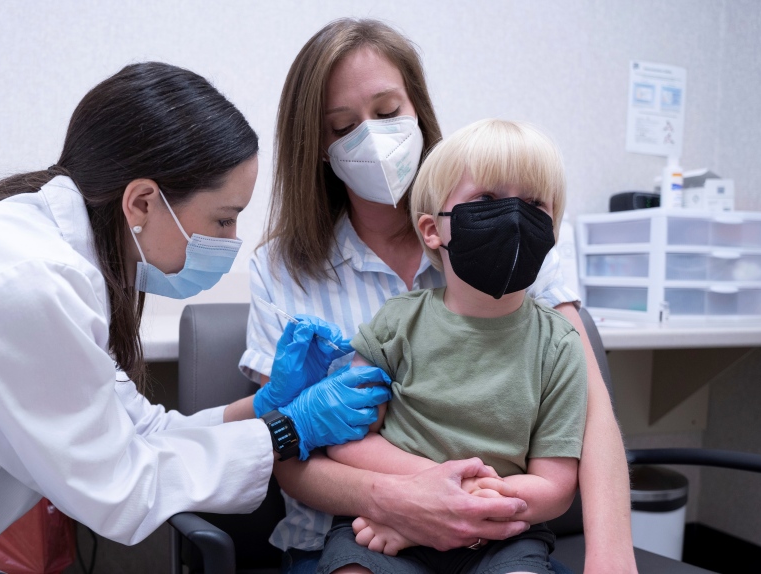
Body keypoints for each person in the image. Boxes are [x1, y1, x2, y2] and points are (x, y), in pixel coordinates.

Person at [0, 62, 392, 573]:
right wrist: (289, 430)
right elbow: (120, 487)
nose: (230, 239)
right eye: (222, 219)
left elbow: (137, 428)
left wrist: (267, 407)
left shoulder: (53, 260)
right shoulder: (21, 283)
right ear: (142, 201)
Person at [241, 18, 636, 574]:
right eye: (342, 126)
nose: (372, 138)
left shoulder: (520, 233)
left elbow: (591, 410)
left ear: (419, 112)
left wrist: (612, 556)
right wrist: (406, 501)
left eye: (386, 112)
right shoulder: (281, 269)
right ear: (317, 147)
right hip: (358, 533)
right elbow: (284, 452)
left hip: (500, 533)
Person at [318, 118, 588, 574]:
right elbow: (349, 443)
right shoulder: (395, 324)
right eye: (486, 199)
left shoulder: (560, 344)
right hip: (392, 513)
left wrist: (470, 505)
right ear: (432, 230)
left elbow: (555, 488)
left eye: (534, 203)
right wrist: (424, 498)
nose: (515, 216)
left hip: (504, 530)